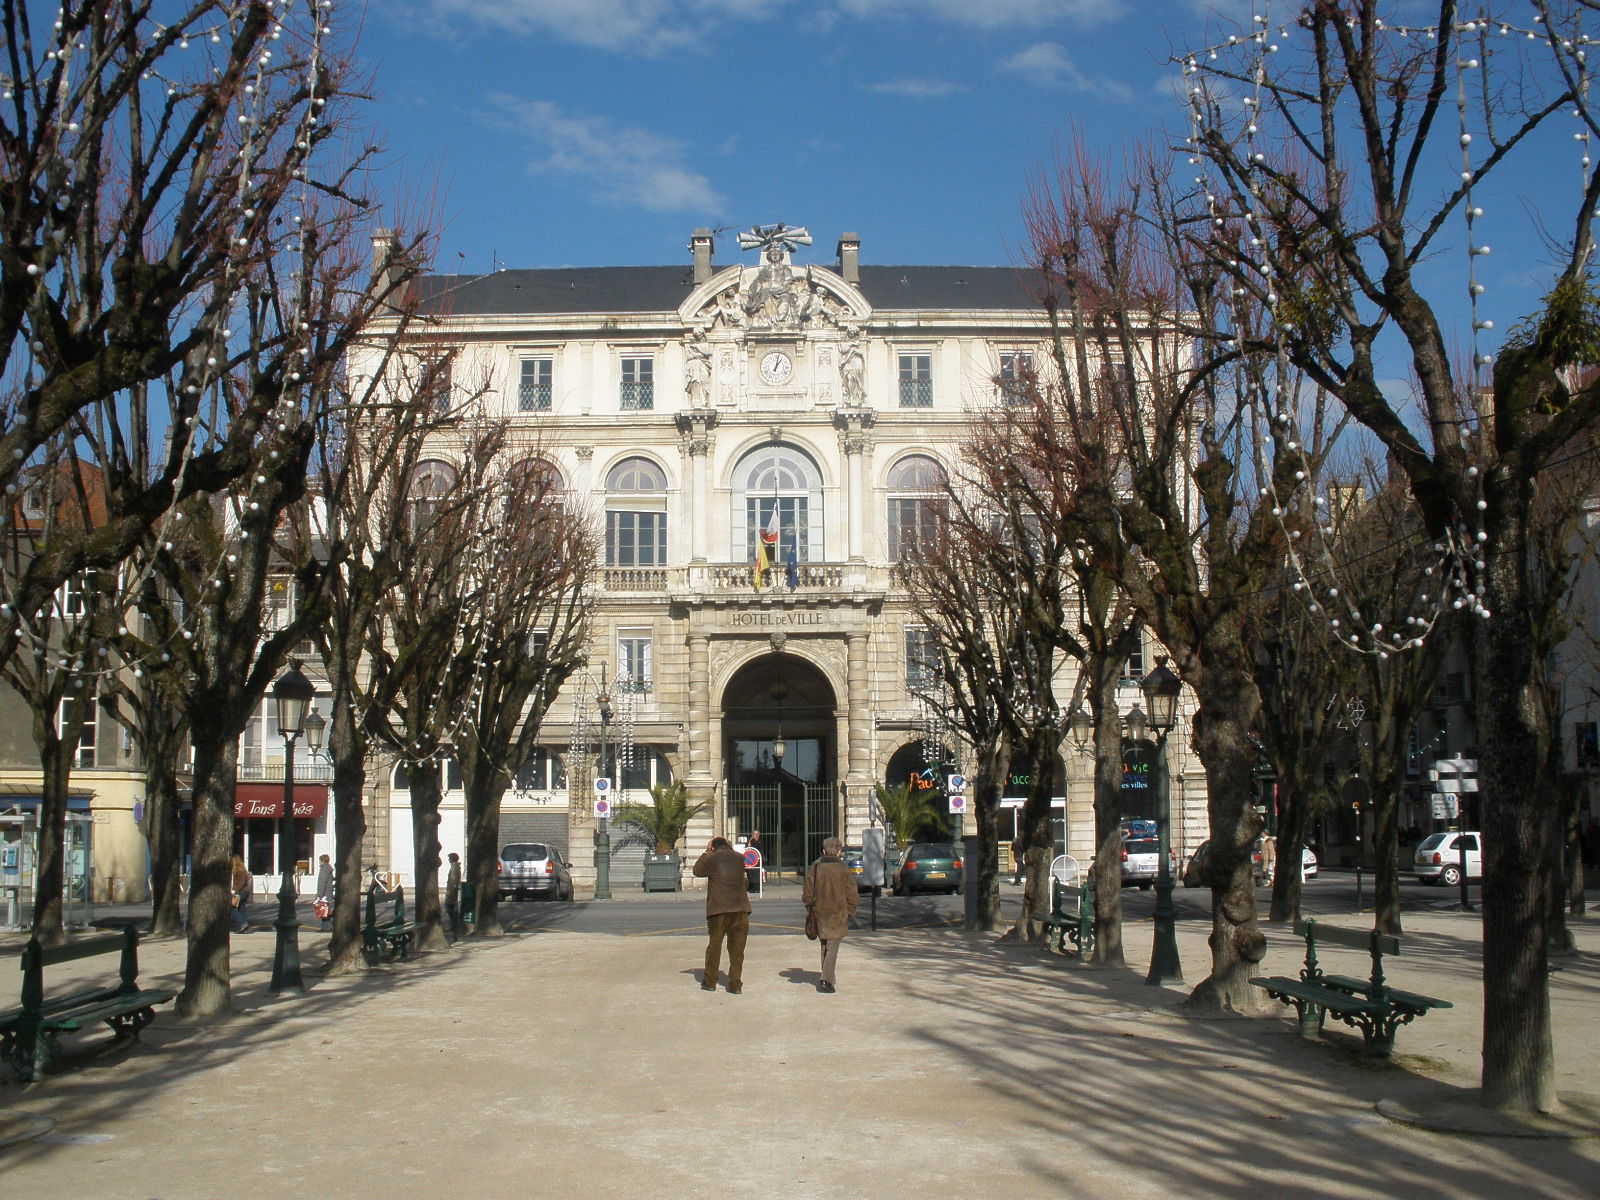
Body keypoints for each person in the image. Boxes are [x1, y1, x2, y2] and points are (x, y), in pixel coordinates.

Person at [692, 837, 751, 994]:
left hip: (719, 909)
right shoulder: (740, 858)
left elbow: (697, 871)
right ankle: (735, 984)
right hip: (741, 908)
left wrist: (706, 852)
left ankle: (710, 981)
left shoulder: (711, 858)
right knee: (737, 950)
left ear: (713, 847)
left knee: (715, 946)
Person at [802, 837, 858, 994]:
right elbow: (852, 892)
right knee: (833, 946)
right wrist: (850, 910)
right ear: (839, 851)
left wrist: (809, 906)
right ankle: (826, 980)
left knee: (825, 945)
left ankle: (827, 977)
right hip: (838, 912)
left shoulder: (816, 866)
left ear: (823, 851)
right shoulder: (843, 868)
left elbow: (807, 889)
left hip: (820, 911)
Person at [230, 854, 252, 933]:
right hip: (245, 892)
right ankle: (244, 928)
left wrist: (235, 891)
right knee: (241, 909)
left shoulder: (238, 870)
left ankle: (243, 923)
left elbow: (241, 882)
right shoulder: (242, 869)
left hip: (240, 892)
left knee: (232, 908)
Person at [445, 852, 462, 937]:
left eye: (449, 858)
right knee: (450, 909)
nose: (448, 860)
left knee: (449, 908)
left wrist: (450, 893)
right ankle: (454, 924)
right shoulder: (455, 867)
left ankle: (455, 925)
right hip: (451, 891)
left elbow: (453, 881)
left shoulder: (454, 867)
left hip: (451, 892)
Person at [315, 853, 333, 931]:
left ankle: (326, 927)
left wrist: (319, 894)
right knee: (326, 910)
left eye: (320, 860)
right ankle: (326, 927)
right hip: (328, 893)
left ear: (322, 860)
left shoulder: (324, 869)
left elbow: (322, 882)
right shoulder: (328, 868)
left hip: (324, 894)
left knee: (323, 911)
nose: (319, 862)